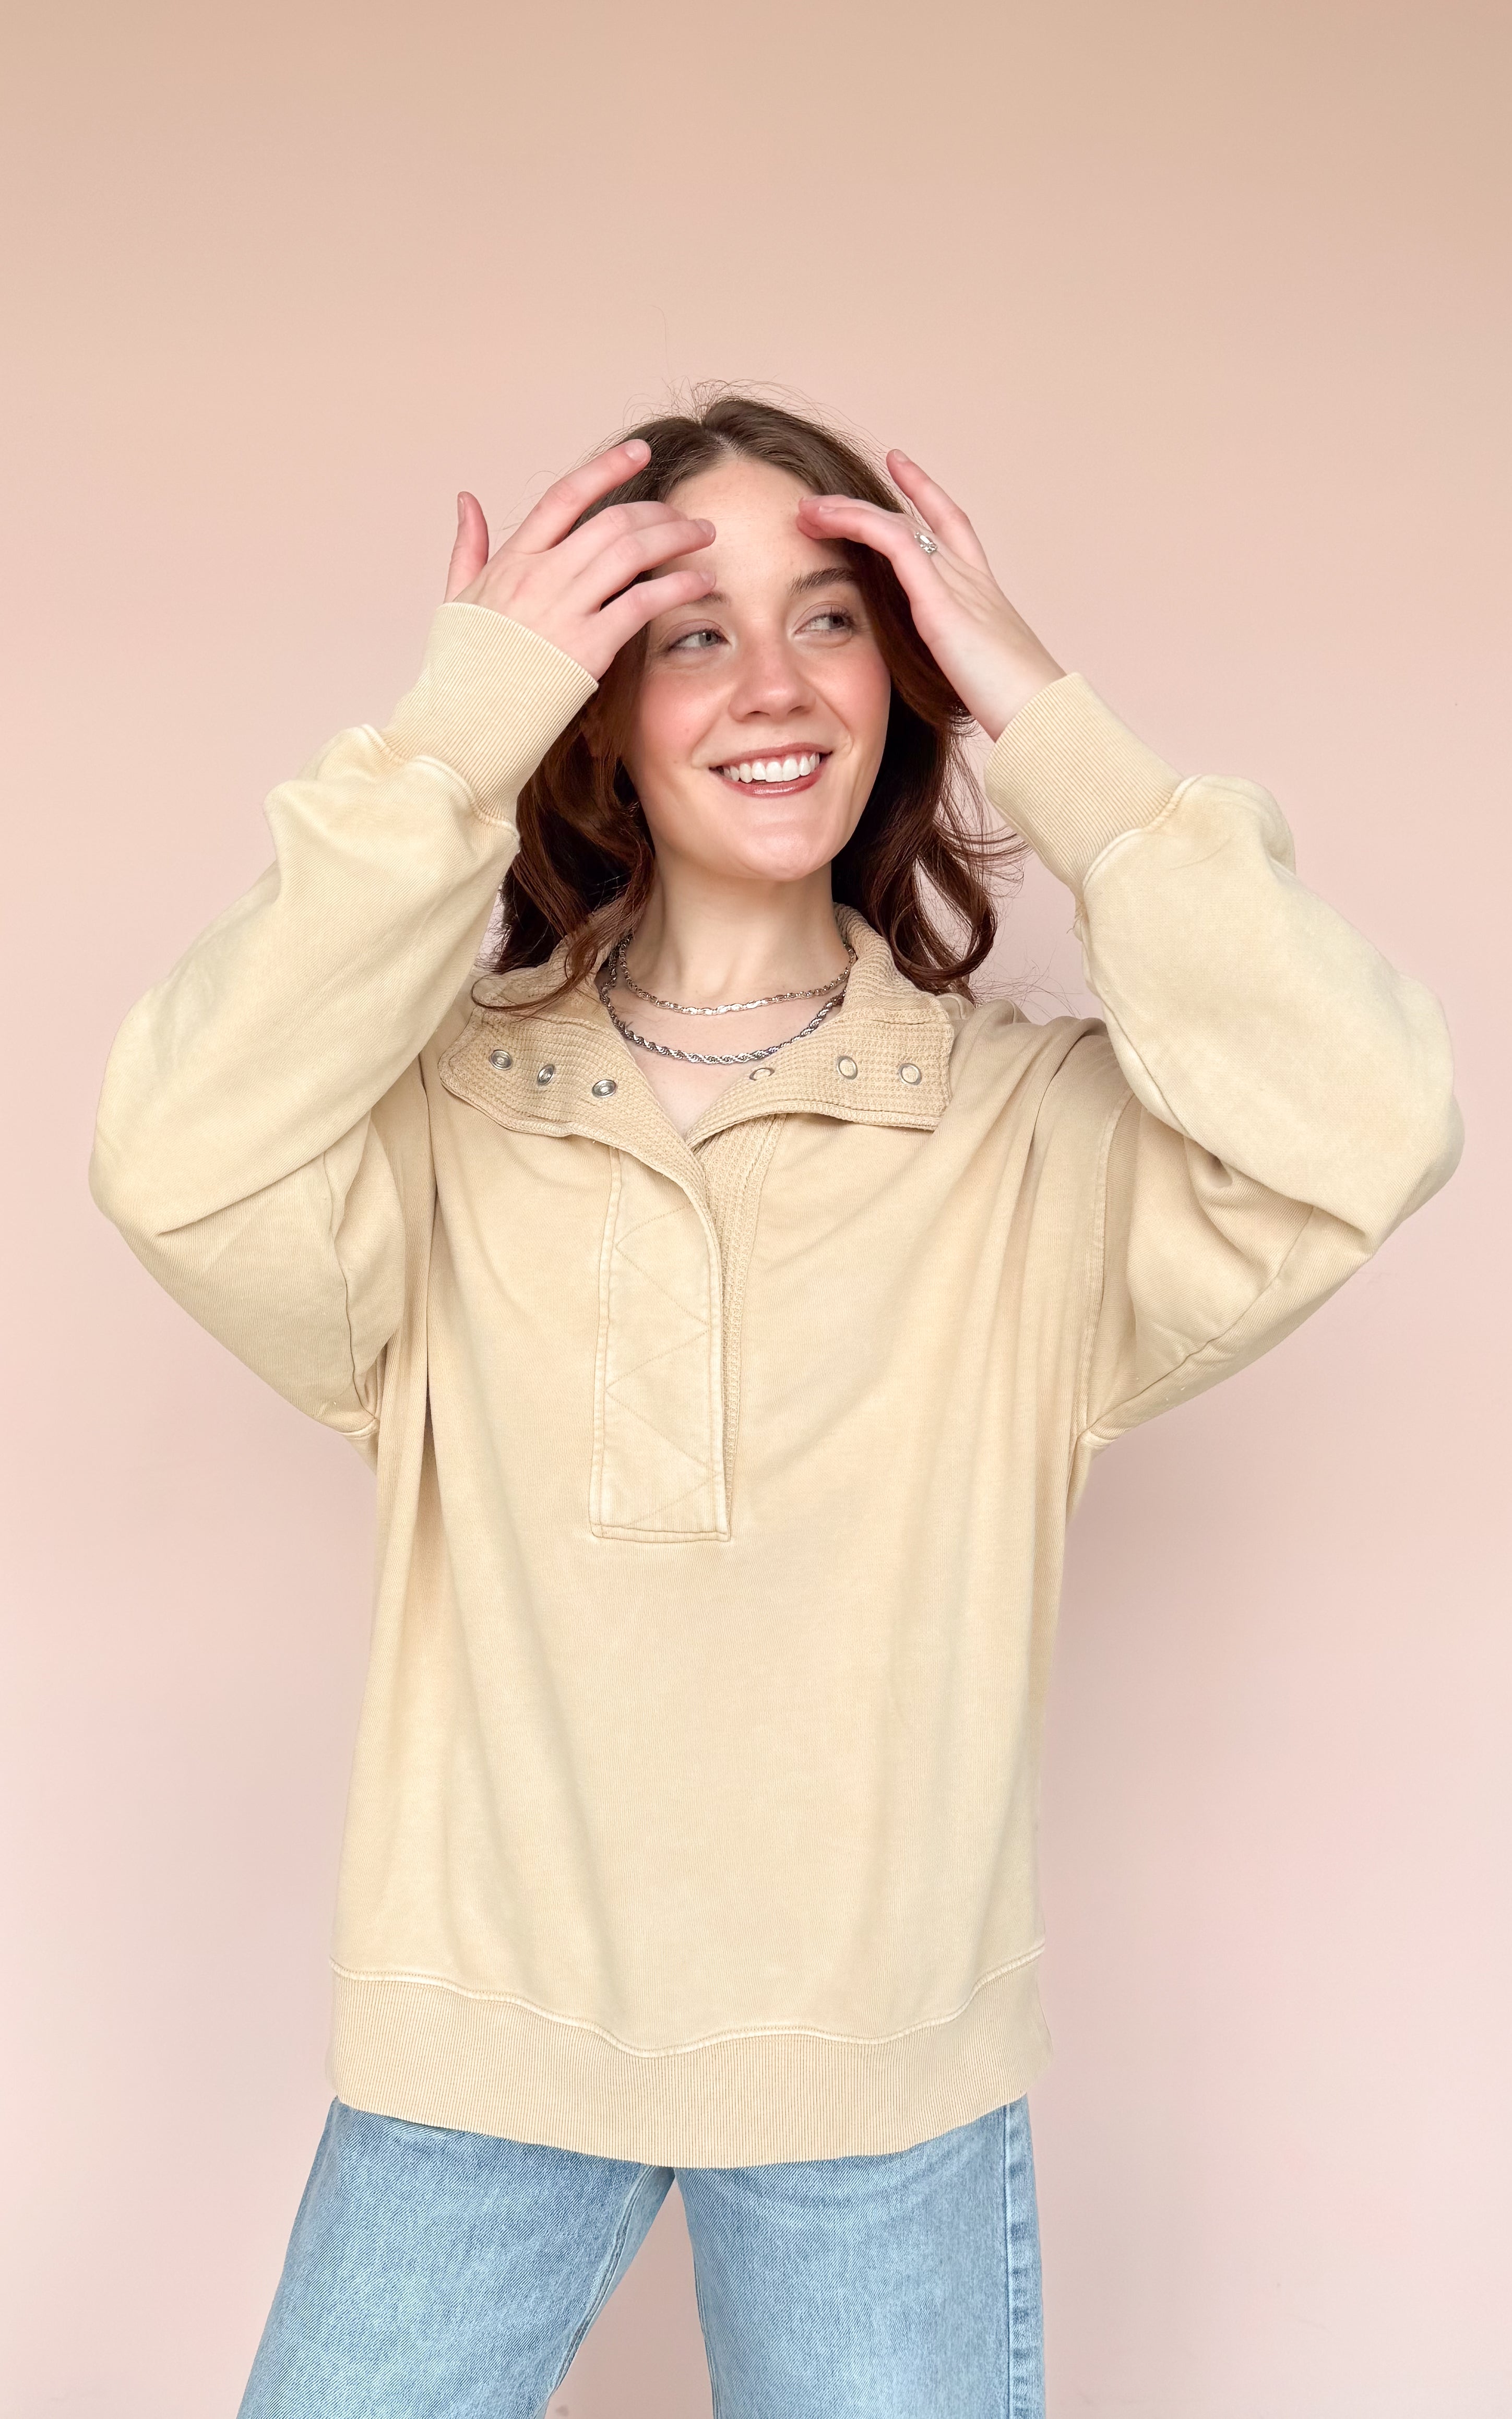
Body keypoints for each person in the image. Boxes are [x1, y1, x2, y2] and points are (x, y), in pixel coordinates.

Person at [89, 391, 1462, 2418]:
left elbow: (1372, 1120)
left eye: (830, 620)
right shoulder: (439, 1117)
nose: (773, 684)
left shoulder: (1022, 1136)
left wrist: (1052, 723)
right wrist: (450, 737)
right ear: (592, 710)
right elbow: (173, 1156)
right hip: (480, 2047)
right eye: (688, 633)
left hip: (875, 2082)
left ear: (902, 682)